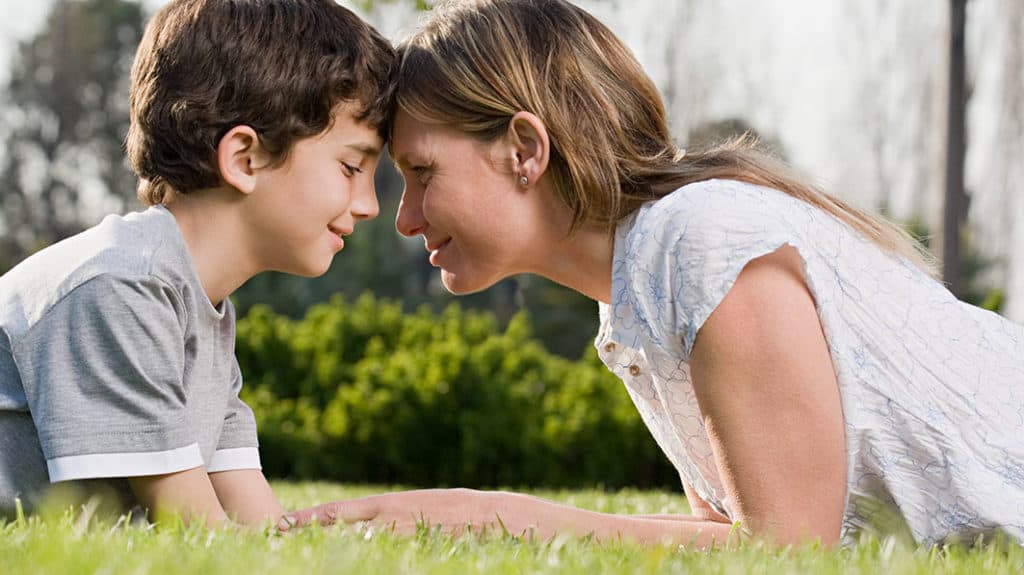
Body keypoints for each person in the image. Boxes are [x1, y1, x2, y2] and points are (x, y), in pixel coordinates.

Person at [281, 0, 1024, 547]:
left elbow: (790, 554)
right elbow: (724, 539)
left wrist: (477, 512)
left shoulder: (702, 241)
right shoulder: (639, 294)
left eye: (420, 172)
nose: (405, 217)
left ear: (524, 149)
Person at [0, 0, 393, 527]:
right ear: (244, 159)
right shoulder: (119, 288)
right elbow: (200, 536)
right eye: (351, 167)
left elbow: (254, 530)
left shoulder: (198, 310)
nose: (369, 204)